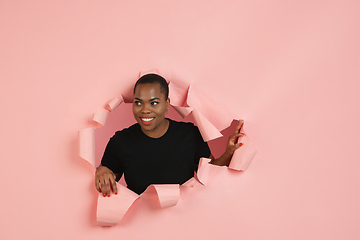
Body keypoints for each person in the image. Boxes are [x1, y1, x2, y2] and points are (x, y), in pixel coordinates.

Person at [95, 73, 244, 197]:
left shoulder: (189, 134)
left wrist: (228, 154)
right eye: (139, 103)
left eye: (153, 103)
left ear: (166, 104)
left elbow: (210, 173)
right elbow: (107, 177)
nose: (145, 110)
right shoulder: (120, 141)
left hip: (183, 222)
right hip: (140, 225)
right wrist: (101, 171)